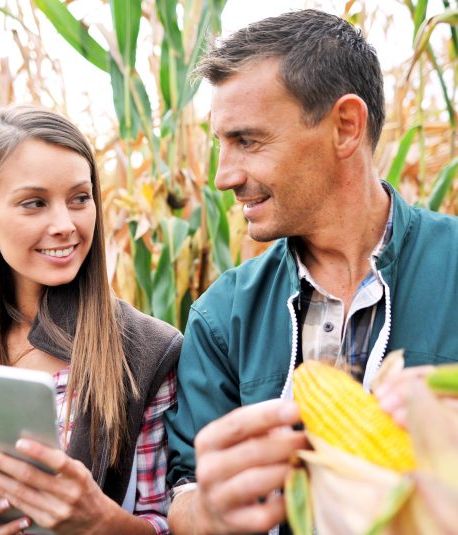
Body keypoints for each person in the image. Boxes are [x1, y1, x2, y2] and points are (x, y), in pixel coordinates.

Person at [164, 9, 458, 535]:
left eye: (248, 141)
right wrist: (206, 510)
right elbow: (181, 491)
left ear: (346, 127)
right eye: (220, 145)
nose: (222, 176)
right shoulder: (219, 316)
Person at [0, 105, 182, 534]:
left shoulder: (148, 351)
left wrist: (98, 519)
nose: (65, 224)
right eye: (34, 203)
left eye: (80, 198)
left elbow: (164, 520)